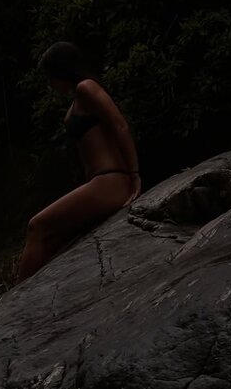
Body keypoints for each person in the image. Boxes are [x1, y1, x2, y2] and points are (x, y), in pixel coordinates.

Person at [17, 42, 141, 282]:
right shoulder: (78, 97)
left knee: (36, 226)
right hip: (99, 184)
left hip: (110, 181)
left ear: (61, 71)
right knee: (51, 240)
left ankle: (11, 301)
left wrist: (134, 175)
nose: (50, 84)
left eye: (50, 77)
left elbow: (120, 126)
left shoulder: (87, 87)